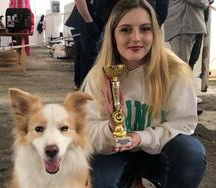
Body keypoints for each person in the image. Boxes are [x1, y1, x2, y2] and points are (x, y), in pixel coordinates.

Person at [81, 0, 206, 187]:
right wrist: (111, 128)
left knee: (191, 153)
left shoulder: (175, 71)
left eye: (145, 28)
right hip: (114, 152)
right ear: (113, 35)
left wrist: (141, 137)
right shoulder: (99, 76)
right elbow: (87, 132)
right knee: (99, 180)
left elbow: (184, 123)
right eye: (125, 30)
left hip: (158, 152)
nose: (136, 38)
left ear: (155, 33)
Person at [74, 0, 169, 87]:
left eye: (145, 29)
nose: (136, 38)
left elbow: (162, 9)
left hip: (112, 18)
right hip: (108, 21)